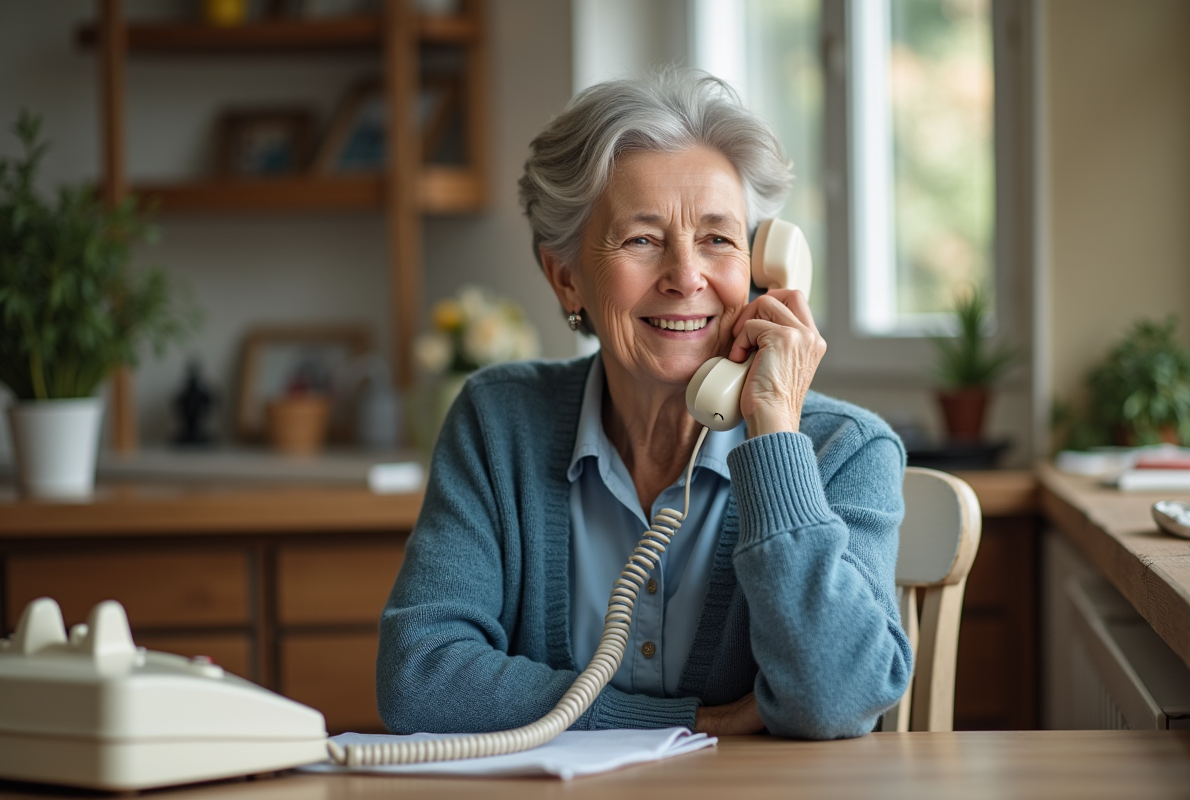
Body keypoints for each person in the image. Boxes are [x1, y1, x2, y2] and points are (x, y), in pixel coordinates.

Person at [377, 69, 912, 739]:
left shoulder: (845, 450)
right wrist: (688, 723)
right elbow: (418, 678)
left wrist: (773, 428)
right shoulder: (498, 421)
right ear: (565, 276)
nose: (687, 276)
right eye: (642, 239)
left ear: (764, 268)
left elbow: (837, 700)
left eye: (719, 239)